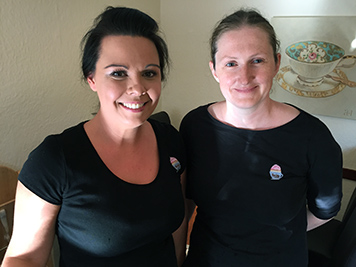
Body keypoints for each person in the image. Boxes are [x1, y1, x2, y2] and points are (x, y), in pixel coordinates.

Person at [3, 6, 187, 267]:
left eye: (149, 73)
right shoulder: (55, 160)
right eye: (118, 73)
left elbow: (176, 230)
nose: (137, 89)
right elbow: (24, 257)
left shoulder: (171, 140)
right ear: (91, 78)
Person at [180, 8, 342, 267]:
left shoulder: (312, 136)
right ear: (214, 70)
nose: (244, 77)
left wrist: (276, 235)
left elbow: (325, 211)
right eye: (231, 63)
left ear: (276, 63)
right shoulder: (195, 126)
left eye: (257, 60)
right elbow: (185, 203)